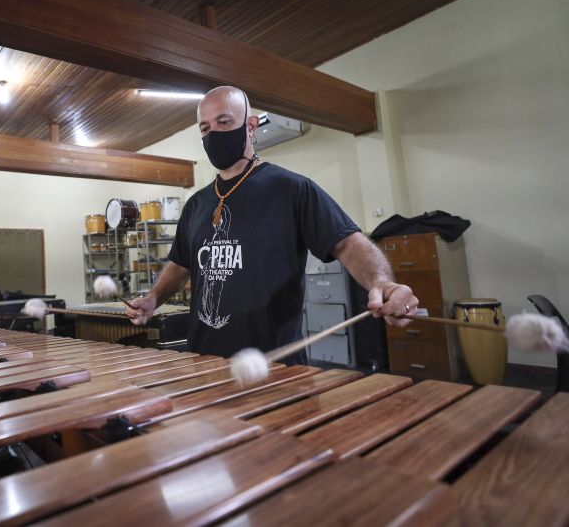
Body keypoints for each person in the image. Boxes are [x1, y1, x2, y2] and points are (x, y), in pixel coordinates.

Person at [125, 86, 419, 360]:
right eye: (205, 128)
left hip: (274, 365)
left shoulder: (292, 189)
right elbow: (181, 265)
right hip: (204, 361)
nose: (213, 133)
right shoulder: (196, 204)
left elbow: (348, 243)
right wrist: (154, 298)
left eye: (224, 122)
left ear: (251, 127)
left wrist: (382, 283)